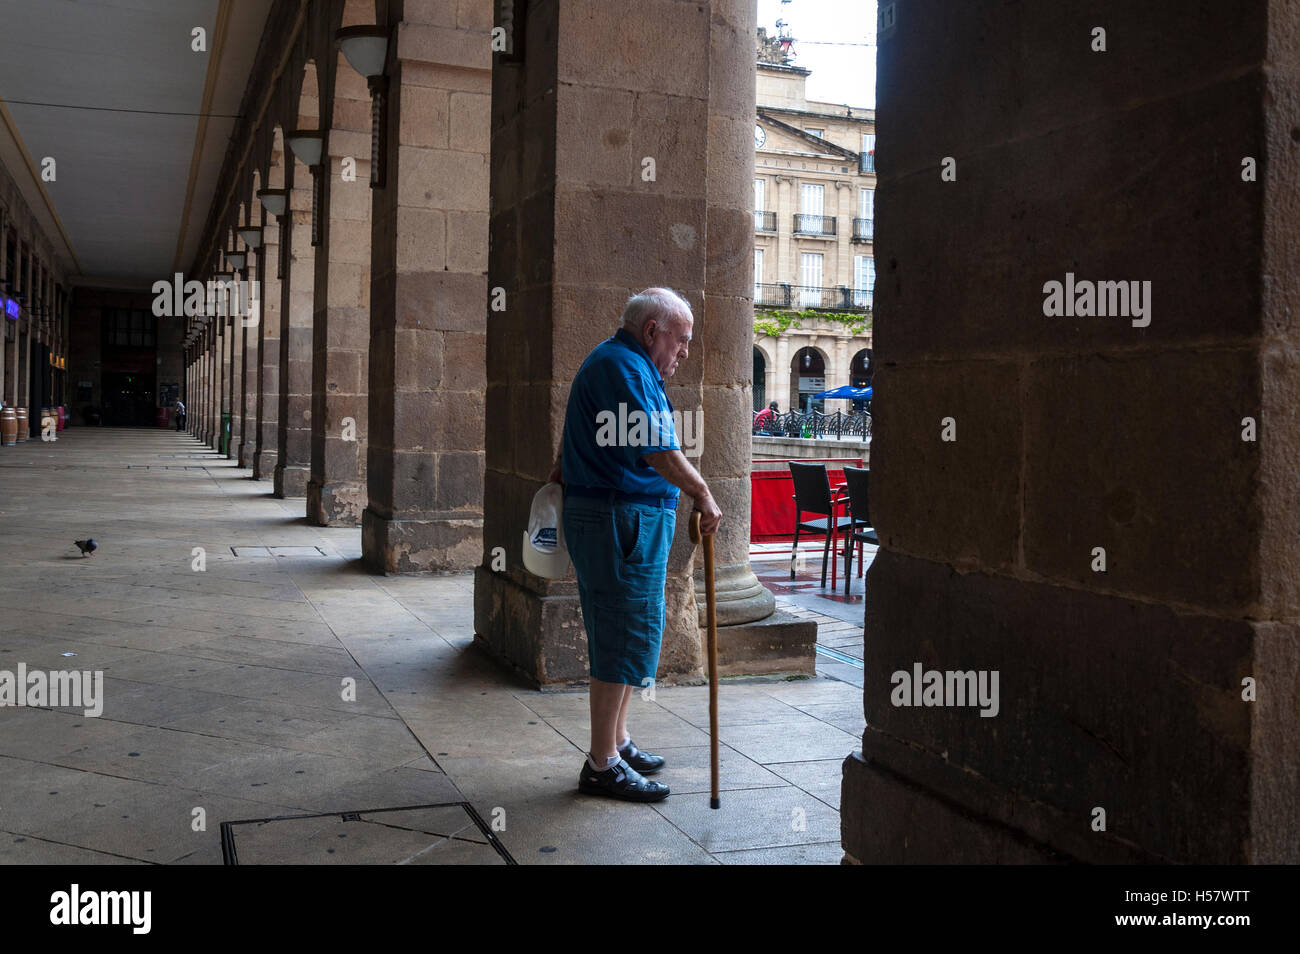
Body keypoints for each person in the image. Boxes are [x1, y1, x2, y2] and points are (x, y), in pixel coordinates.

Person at [549, 287, 722, 803]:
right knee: (619, 635)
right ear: (653, 331)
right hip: (617, 520)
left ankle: (617, 741)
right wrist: (702, 491)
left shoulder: (622, 364)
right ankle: (602, 764)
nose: (685, 351)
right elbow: (657, 447)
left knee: (629, 631)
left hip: (624, 519)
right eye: (682, 340)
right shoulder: (622, 366)